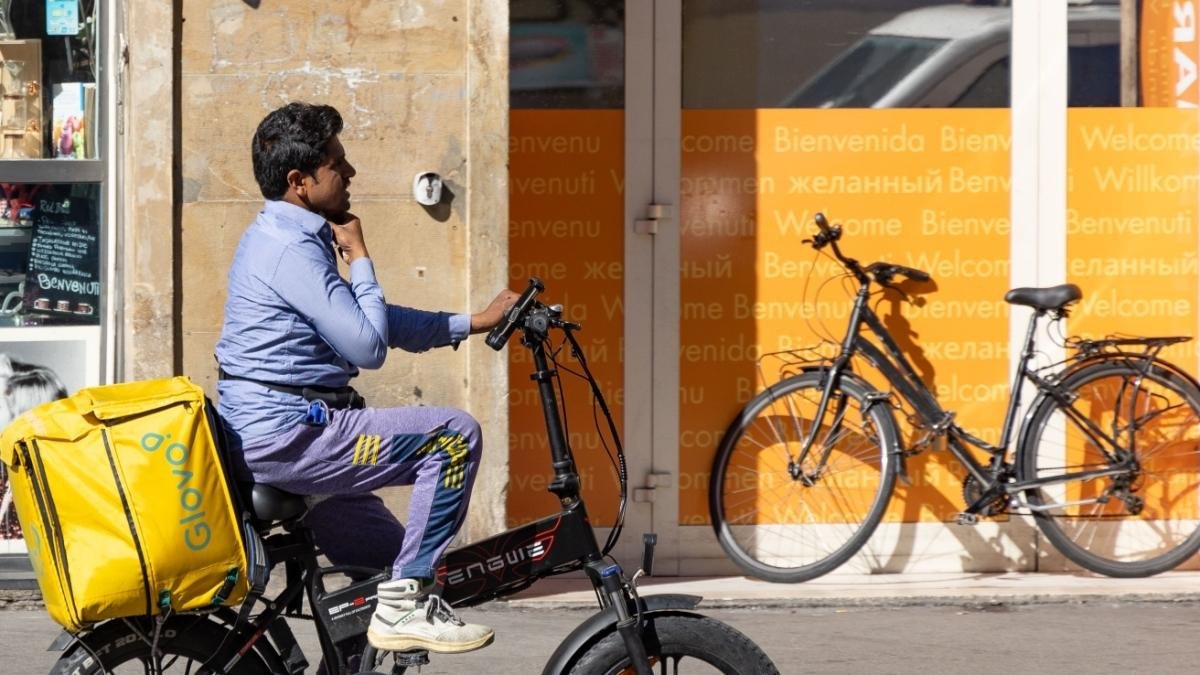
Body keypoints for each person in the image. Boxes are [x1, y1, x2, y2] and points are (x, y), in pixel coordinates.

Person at [215, 102, 517, 655]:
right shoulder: (289, 248)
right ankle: (407, 607)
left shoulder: (290, 236)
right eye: (337, 164)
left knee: (382, 573)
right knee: (454, 437)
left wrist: (474, 322)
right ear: (299, 181)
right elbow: (368, 345)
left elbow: (364, 320)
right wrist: (360, 256)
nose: (350, 172)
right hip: (289, 436)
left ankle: (389, 612)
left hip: (293, 433)